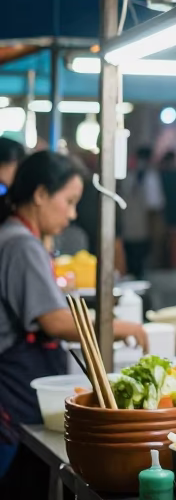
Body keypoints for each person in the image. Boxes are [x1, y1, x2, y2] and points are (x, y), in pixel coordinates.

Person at [0, 152, 147, 473]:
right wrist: (119, 327)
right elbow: (54, 321)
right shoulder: (20, 243)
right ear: (40, 195)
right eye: (68, 201)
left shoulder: (20, 237)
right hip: (8, 390)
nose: (72, 214)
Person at [120, 146, 164, 278]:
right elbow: (154, 205)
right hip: (142, 230)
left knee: (132, 264)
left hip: (128, 229)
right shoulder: (150, 177)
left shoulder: (128, 176)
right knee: (140, 267)